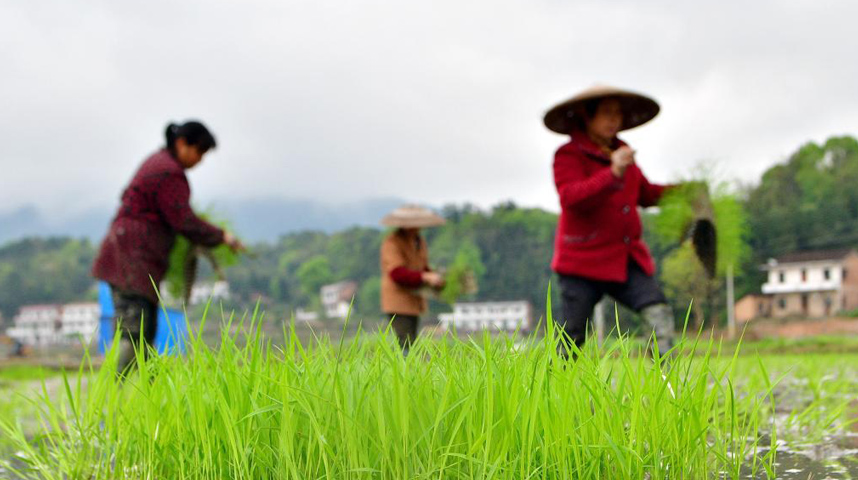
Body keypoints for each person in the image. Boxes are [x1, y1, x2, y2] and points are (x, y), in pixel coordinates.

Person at [92, 120, 244, 373]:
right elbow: (183, 219)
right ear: (183, 144)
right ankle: (110, 398)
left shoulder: (159, 164)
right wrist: (222, 236)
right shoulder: (168, 172)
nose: (200, 160)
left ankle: (138, 400)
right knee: (135, 331)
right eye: (200, 152)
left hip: (133, 258)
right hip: (131, 259)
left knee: (144, 331)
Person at [543, 85, 676, 358]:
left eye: (617, 113)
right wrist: (612, 171)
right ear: (587, 116)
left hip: (624, 257)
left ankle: (668, 382)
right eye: (606, 113)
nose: (613, 119)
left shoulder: (622, 152)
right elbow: (571, 197)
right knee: (572, 335)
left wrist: (682, 193)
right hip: (581, 259)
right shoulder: (569, 155)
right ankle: (556, 391)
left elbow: (645, 193)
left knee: (657, 310)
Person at [379, 205, 446, 354]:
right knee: (405, 342)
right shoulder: (392, 243)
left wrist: (434, 277)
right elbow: (397, 273)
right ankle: (405, 373)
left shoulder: (418, 241)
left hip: (414, 299)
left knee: (412, 340)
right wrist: (425, 276)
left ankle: (411, 371)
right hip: (398, 301)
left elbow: (421, 267)